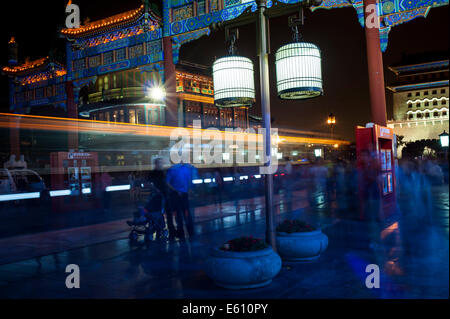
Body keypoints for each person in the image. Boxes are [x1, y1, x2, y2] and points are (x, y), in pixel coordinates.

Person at [166, 161, 198, 238]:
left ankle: (181, 233)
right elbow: (190, 180)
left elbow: (167, 183)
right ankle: (191, 232)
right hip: (184, 194)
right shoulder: (187, 168)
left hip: (176, 195)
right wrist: (189, 190)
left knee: (178, 214)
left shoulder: (172, 169)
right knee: (186, 213)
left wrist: (176, 190)